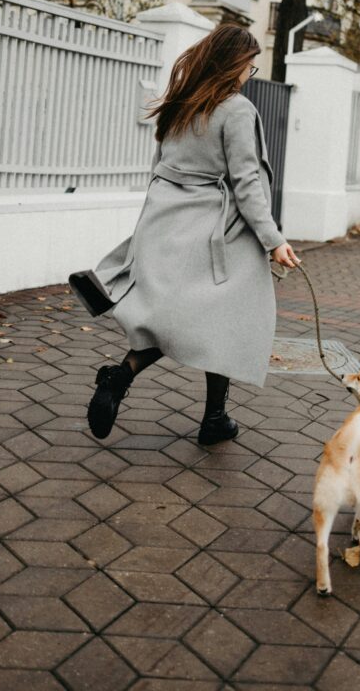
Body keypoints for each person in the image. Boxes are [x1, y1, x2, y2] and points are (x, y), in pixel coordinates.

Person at [70, 23, 300, 445]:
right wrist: (274, 240)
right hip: (213, 228)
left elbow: (159, 166)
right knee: (222, 316)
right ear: (234, 64)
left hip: (165, 221)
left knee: (194, 317)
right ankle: (179, 401)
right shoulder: (235, 110)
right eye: (250, 65)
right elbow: (247, 183)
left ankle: (155, 392)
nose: (250, 73)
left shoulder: (180, 103)